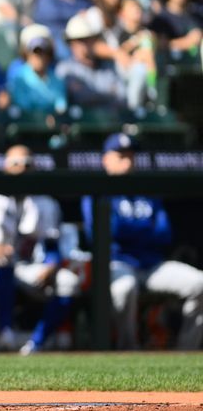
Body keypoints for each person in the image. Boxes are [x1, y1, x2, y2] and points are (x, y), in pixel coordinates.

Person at [82, 133, 203, 350]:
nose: (127, 162)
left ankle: (187, 353)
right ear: (105, 159)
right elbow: (101, 234)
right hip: (117, 263)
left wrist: (127, 230)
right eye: (121, 156)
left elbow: (165, 233)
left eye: (131, 156)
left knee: (200, 283)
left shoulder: (147, 190)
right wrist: (144, 229)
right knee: (124, 288)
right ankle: (129, 350)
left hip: (152, 264)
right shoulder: (97, 191)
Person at [0, 145, 81, 354]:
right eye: (15, 164)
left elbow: (52, 242)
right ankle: (4, 333)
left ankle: (36, 342)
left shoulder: (45, 201)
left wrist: (52, 264)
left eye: (26, 164)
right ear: (5, 167)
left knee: (68, 281)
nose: (21, 169)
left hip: (27, 264)